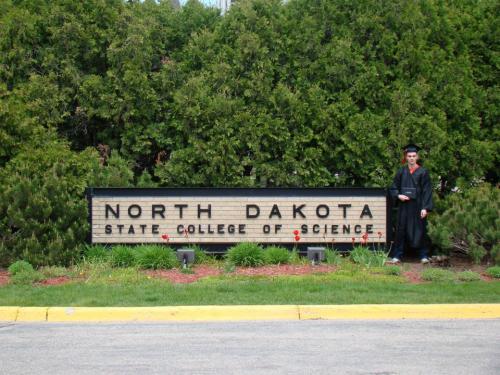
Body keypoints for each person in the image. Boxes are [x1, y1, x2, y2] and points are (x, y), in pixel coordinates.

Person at [388, 144, 433, 264]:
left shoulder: (423, 172)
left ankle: (423, 255)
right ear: (406, 157)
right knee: (401, 230)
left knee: (420, 230)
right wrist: (398, 196)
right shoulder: (401, 171)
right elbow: (393, 187)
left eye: (414, 156)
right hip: (404, 206)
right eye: (409, 156)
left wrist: (425, 208)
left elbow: (427, 191)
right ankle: (397, 255)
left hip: (418, 206)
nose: (412, 158)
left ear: (417, 157)